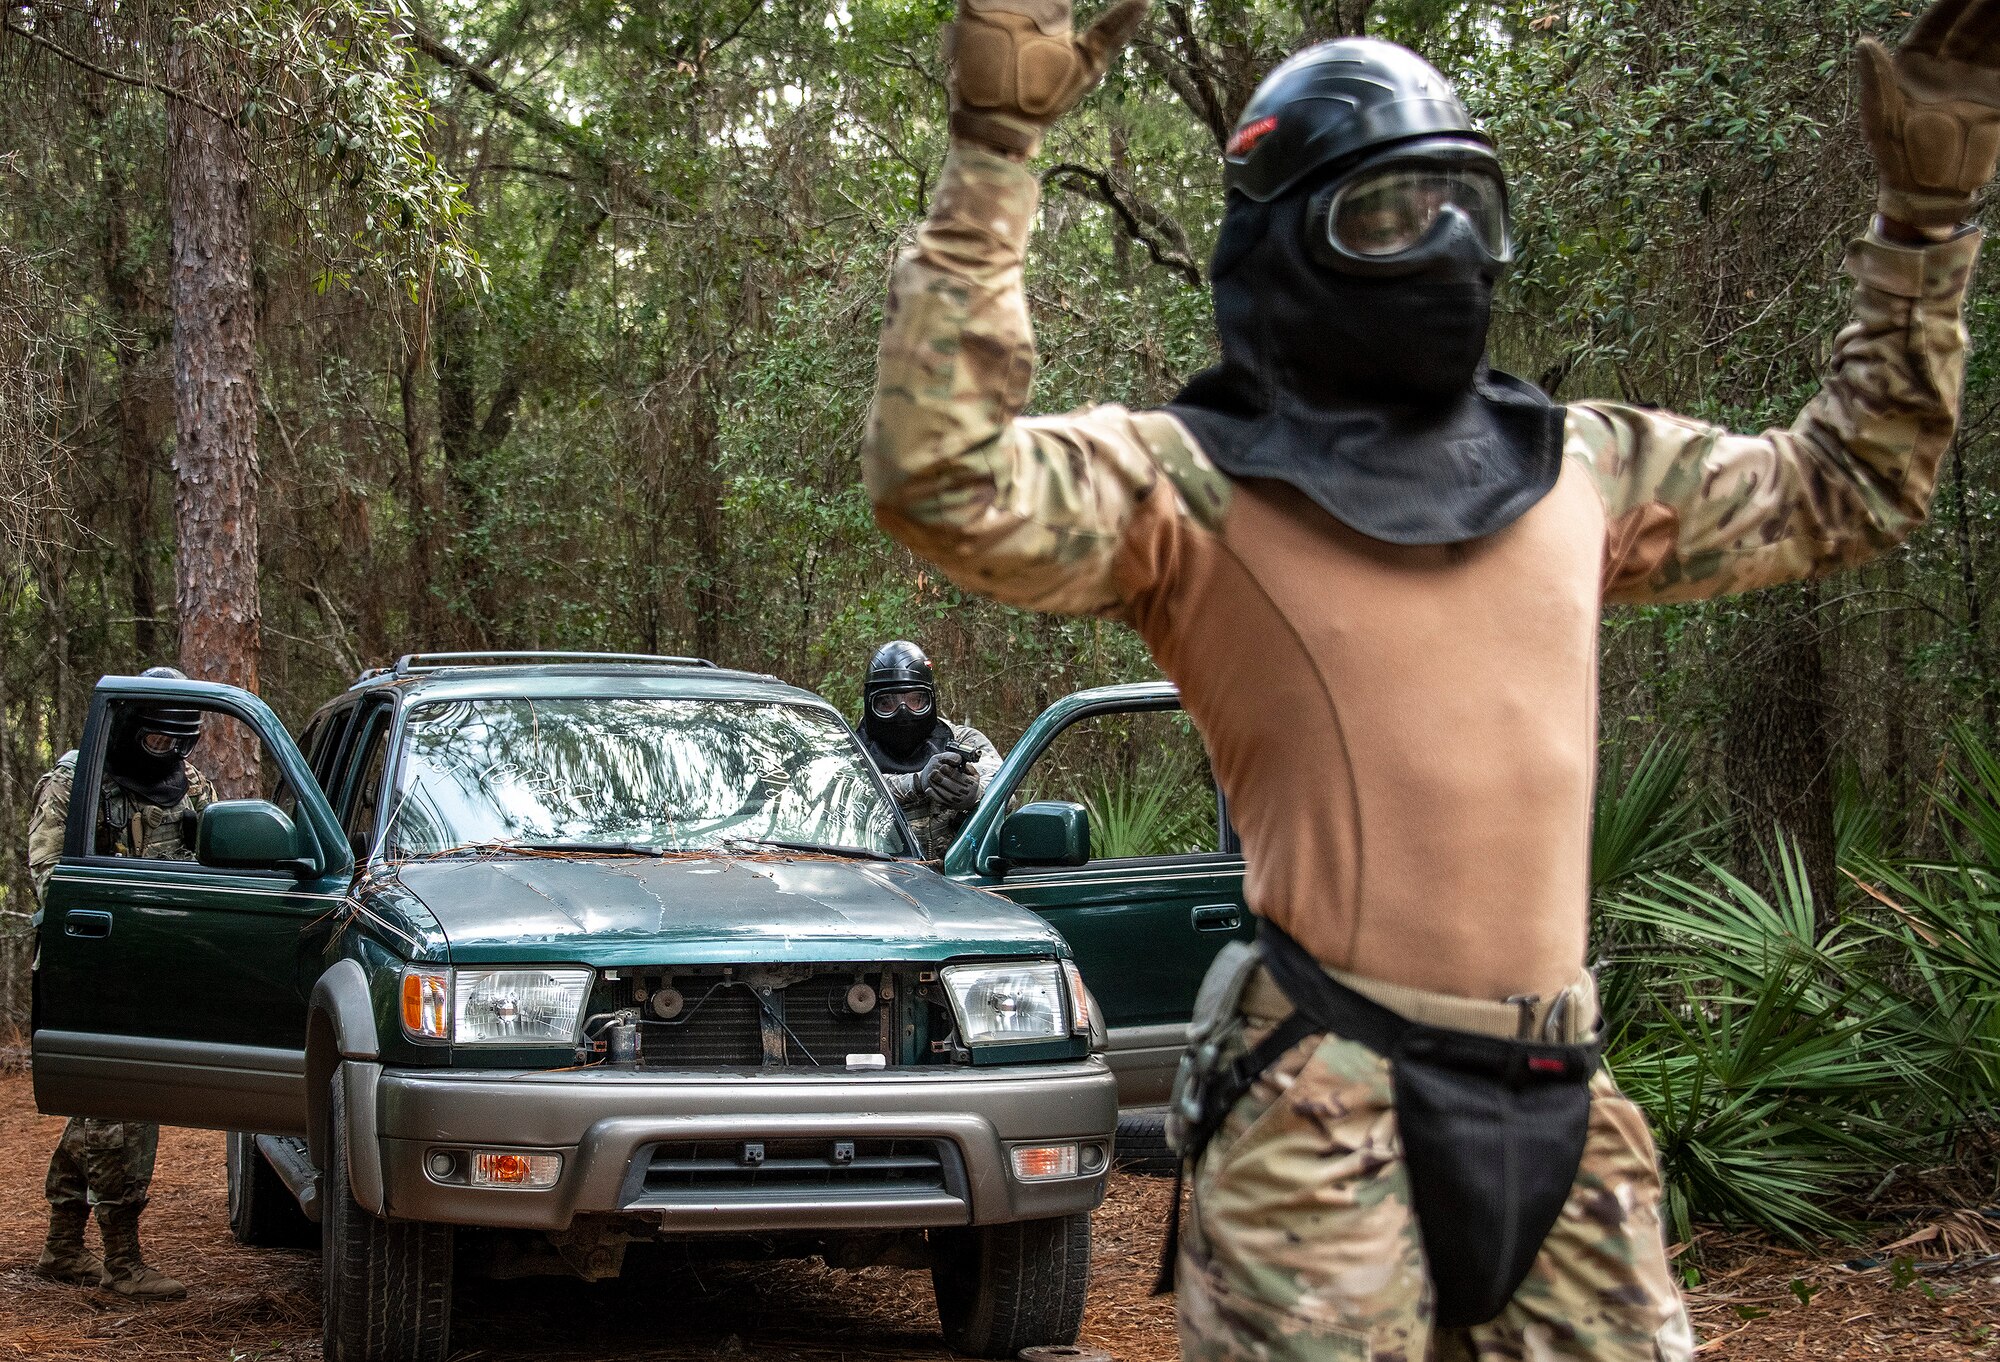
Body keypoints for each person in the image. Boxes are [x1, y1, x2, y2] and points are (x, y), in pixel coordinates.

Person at [863, 1, 1997, 1356]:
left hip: (1560, 1092)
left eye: (1467, 205)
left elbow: (1855, 483)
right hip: (1324, 1101)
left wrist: (1928, 219)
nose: (1445, 245)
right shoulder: (1189, 488)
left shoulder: (1581, 464)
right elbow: (942, 480)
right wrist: (994, 148)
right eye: (1391, 212)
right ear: (1289, 239)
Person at [27, 667, 211, 1301]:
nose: (168, 752)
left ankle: (61, 1246)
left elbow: (224, 868)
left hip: (160, 969)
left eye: (178, 742)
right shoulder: (74, 783)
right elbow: (52, 879)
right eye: (156, 740)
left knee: (102, 1110)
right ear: (132, 729)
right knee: (120, 1111)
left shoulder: (192, 790)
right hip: (97, 967)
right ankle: (122, 1259)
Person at [854, 640, 1000, 857]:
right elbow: (845, 789)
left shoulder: (964, 740)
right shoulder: (849, 748)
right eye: (887, 703)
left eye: (915, 701)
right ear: (870, 703)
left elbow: (1004, 787)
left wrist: (977, 795)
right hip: (878, 877)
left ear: (930, 699)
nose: (903, 713)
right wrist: (918, 782)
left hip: (954, 880)